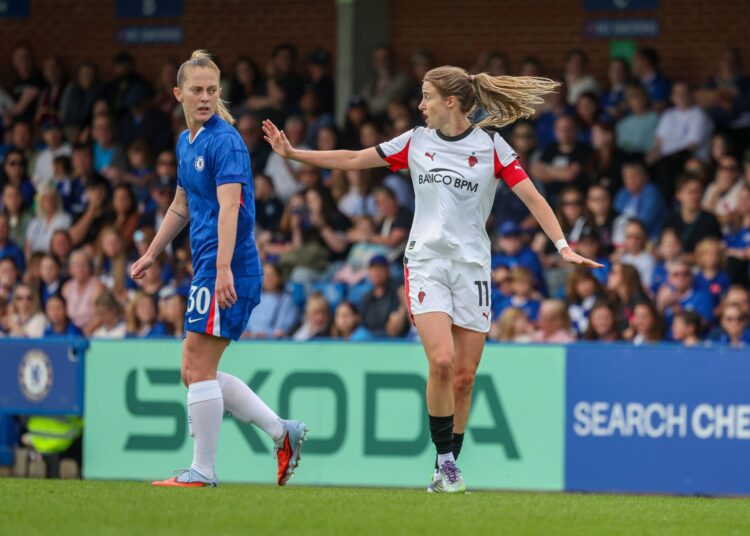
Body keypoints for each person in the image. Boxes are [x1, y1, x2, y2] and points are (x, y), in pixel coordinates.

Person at [262, 65, 600, 494]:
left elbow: (532, 195)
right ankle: (444, 460)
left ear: (451, 101)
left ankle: (447, 467)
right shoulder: (415, 142)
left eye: (427, 96)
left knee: (465, 376)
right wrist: (294, 155)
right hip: (426, 264)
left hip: (473, 268)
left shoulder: (491, 146)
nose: (420, 105)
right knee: (441, 362)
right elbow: (353, 158)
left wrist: (562, 246)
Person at [130, 50, 307, 488]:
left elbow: (231, 208)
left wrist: (223, 268)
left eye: (212, 90)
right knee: (193, 371)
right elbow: (181, 203)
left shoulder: (224, 140)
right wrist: (152, 252)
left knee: (197, 366)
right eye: (197, 90)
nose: (205, 97)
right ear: (179, 94)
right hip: (210, 265)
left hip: (225, 266)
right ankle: (282, 433)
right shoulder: (186, 142)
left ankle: (203, 471)